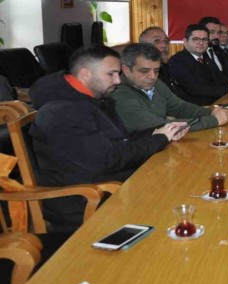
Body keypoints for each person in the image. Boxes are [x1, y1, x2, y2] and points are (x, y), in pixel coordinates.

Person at [29, 45, 187, 231]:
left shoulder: (91, 99)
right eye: (111, 74)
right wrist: (159, 139)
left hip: (111, 183)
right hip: (86, 199)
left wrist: (158, 132)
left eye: (118, 74)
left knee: (181, 182)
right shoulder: (62, 112)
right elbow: (108, 160)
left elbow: (120, 140)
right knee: (176, 197)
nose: (118, 80)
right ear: (85, 74)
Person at [113, 43, 228, 133]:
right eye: (144, 71)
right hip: (142, 154)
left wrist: (212, 112)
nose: (152, 77)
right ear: (126, 70)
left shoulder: (155, 83)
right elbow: (161, 125)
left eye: (156, 70)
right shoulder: (119, 95)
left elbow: (180, 108)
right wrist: (213, 120)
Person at [168, 24, 228, 106]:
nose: (201, 43)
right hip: (195, 107)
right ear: (185, 42)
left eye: (205, 39)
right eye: (196, 39)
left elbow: (221, 79)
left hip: (217, 102)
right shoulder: (177, 61)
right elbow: (195, 89)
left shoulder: (206, 58)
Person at [198, 16, 228, 81]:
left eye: (219, 32)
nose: (216, 36)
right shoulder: (198, 55)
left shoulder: (220, 51)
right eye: (212, 32)